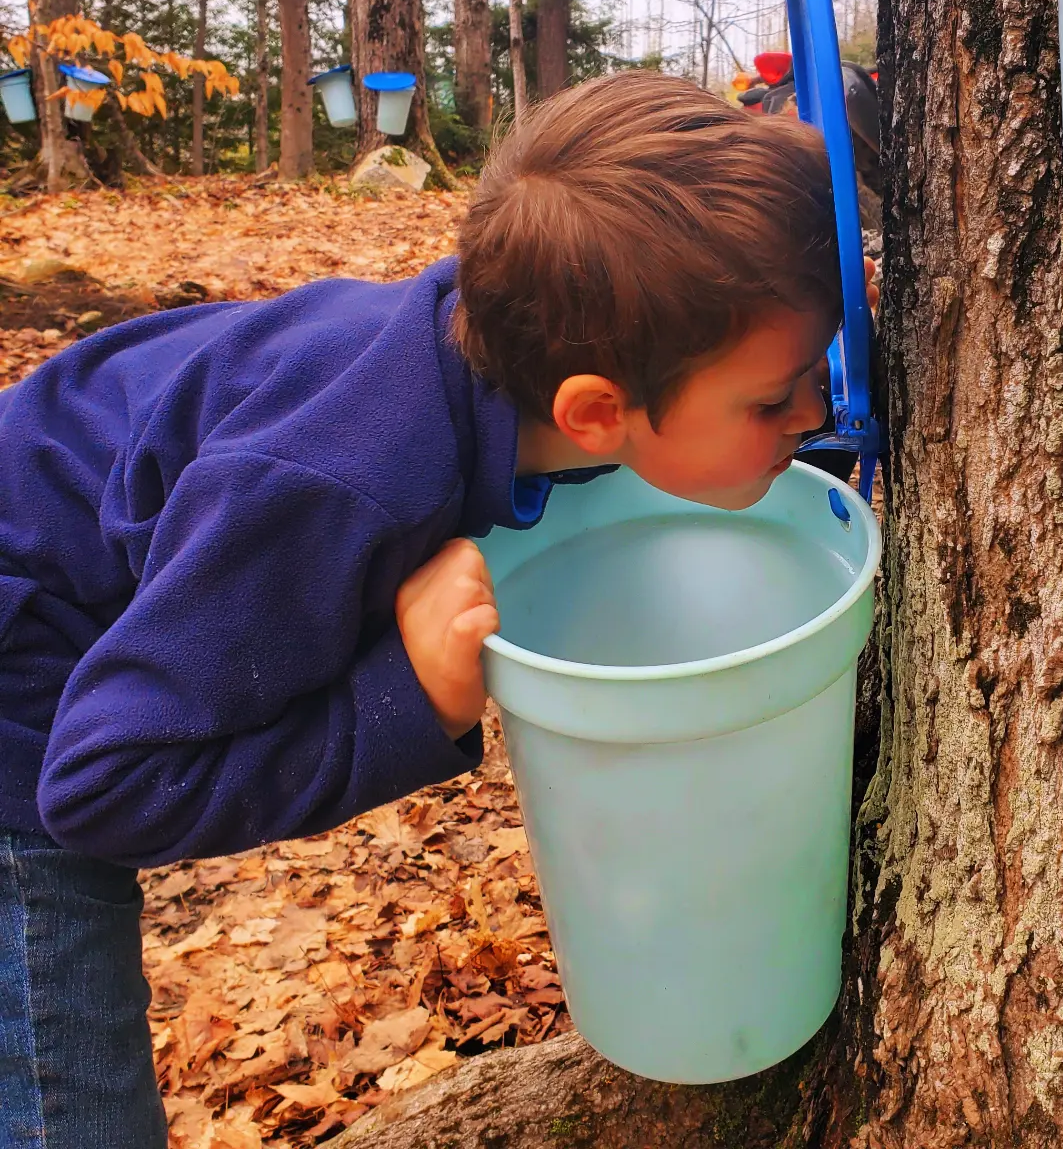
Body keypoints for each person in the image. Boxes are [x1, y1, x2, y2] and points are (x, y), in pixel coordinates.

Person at [0, 71, 873, 1147]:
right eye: (774, 398)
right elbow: (96, 786)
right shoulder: (333, 486)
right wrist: (399, 699)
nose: (816, 411)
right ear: (597, 412)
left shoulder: (523, 345)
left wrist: (786, 442)